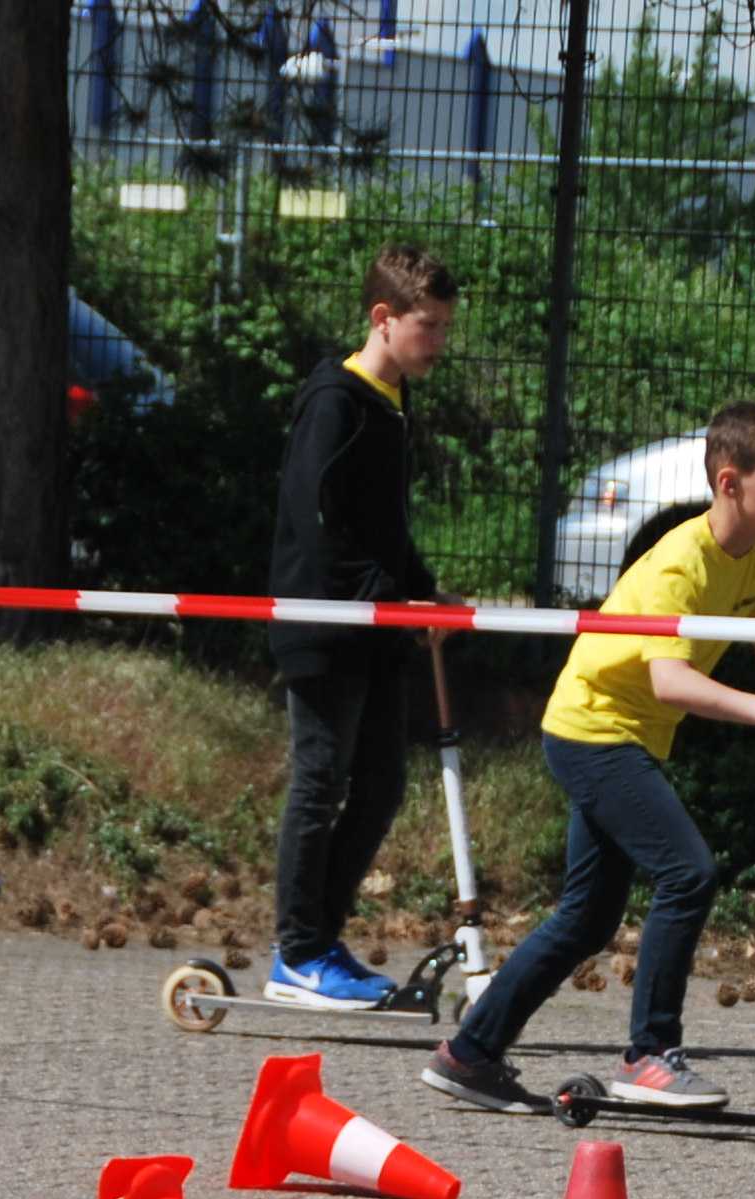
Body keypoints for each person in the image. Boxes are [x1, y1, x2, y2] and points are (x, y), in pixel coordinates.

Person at [422, 399, 755, 1114]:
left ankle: (469, 1053)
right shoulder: (681, 561)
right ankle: (649, 1055)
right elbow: (670, 679)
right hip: (593, 729)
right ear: (730, 483)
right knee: (688, 872)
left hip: (625, 735)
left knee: (587, 917)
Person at [264, 243, 455, 1009]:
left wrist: (425, 596)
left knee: (380, 784)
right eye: (428, 326)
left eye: (444, 326)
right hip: (324, 624)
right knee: (320, 781)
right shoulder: (335, 402)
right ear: (384, 318)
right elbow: (321, 524)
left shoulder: (392, 404)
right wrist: (383, 596)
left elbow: (384, 526)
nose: (439, 342)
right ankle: (298, 954)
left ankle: (320, 940)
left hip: (375, 627)